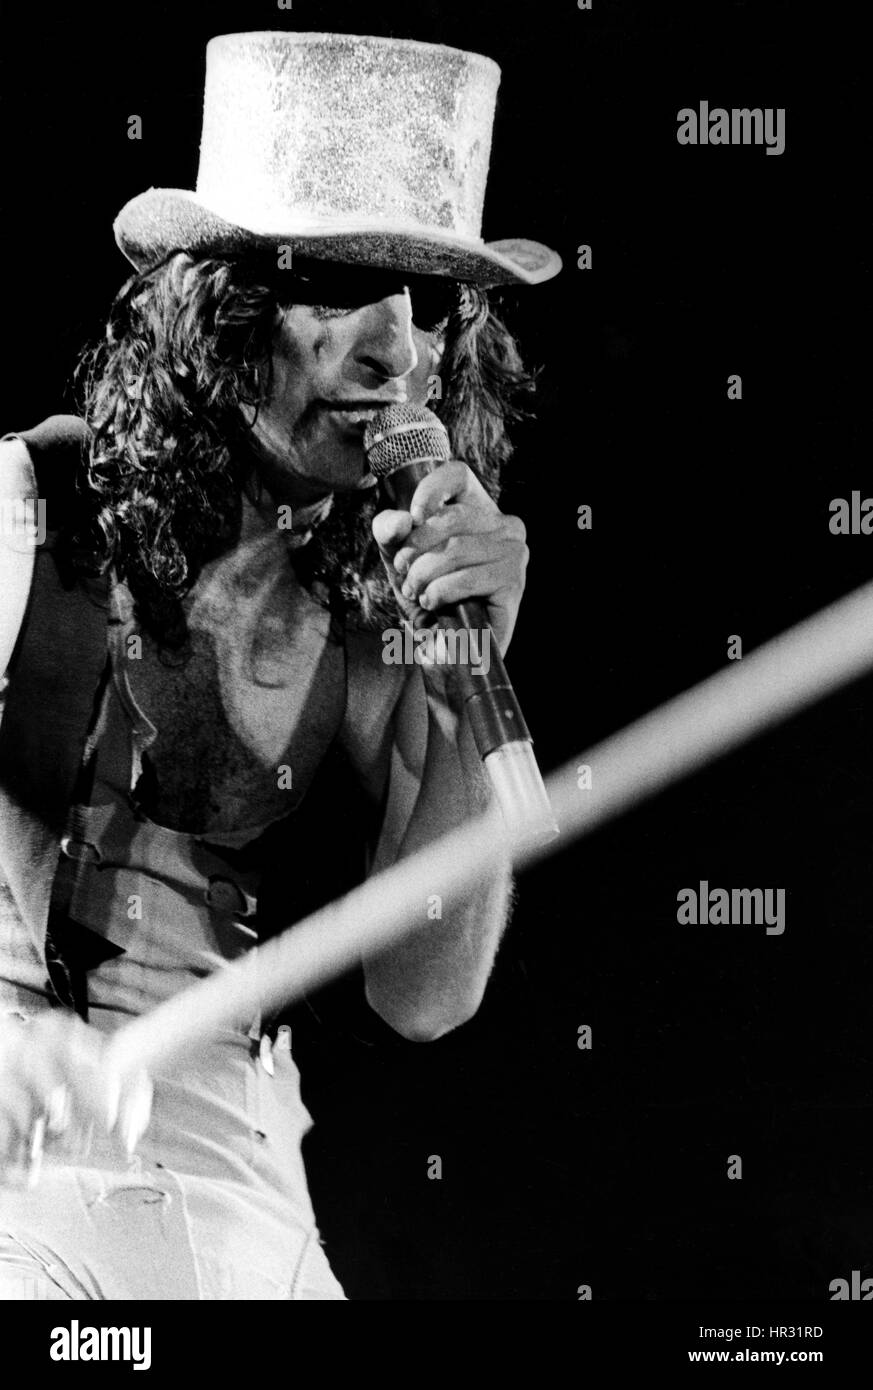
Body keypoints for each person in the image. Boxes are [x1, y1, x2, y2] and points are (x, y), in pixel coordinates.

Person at [0, 31, 561, 1299]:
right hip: (23, 1157)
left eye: (428, 304)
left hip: (246, 1177)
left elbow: (426, 995)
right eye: (346, 287)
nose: (397, 352)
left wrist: (468, 678)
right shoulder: (27, 511)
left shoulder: (379, 619)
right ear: (221, 308)